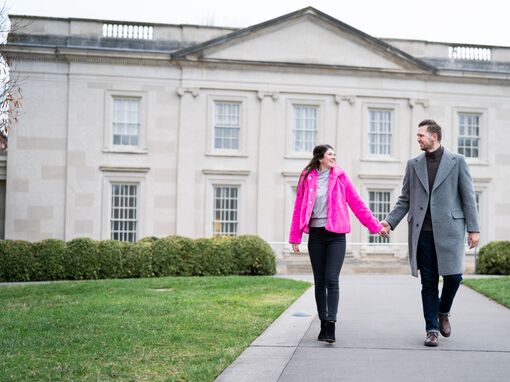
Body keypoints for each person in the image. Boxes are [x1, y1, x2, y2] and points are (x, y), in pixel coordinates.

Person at [381, 119, 480, 347]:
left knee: (454, 278)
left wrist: (474, 229)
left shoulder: (458, 162)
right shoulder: (413, 164)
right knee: (428, 283)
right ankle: (432, 329)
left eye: (421, 135)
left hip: (450, 232)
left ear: (434, 136)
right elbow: (405, 198)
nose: (418, 139)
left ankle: (443, 311)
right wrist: (389, 222)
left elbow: (468, 198)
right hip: (422, 233)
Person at [289, 144, 385, 343]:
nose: (334, 157)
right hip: (315, 235)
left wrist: (375, 227)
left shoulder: (340, 177)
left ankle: (331, 324)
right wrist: (295, 238)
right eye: (330, 154)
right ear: (320, 158)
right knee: (319, 281)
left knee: (332, 279)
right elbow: (299, 207)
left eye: (335, 154)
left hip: (336, 236)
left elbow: (357, 203)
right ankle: (323, 323)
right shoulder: (307, 177)